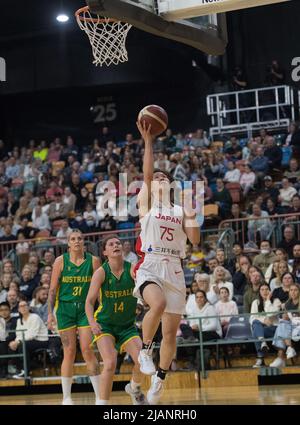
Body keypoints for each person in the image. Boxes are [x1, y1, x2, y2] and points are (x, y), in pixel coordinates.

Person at [133, 121, 200, 404]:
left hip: (175, 267)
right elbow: (147, 173)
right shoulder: (147, 203)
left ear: (170, 185)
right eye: (156, 177)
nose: (158, 178)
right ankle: (144, 350)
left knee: (170, 333)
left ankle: (159, 380)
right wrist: (148, 141)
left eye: (163, 177)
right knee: (156, 304)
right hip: (151, 261)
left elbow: (195, 240)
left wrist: (191, 207)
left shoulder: (179, 208)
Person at [85, 236, 147, 405]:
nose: (116, 245)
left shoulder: (132, 269)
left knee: (142, 361)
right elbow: (89, 302)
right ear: (105, 252)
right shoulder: (101, 272)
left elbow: (145, 289)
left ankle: (134, 389)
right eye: (111, 244)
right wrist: (92, 322)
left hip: (127, 325)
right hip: (105, 325)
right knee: (110, 362)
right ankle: (102, 403)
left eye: (118, 243)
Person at [47, 229, 101, 405]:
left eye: (79, 238)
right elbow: (53, 290)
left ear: (83, 242)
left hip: (86, 309)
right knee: (69, 352)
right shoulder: (60, 261)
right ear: (68, 243)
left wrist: (102, 311)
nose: (77, 241)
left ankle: (100, 396)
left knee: (87, 350)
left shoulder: (93, 261)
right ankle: (67, 397)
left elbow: (101, 290)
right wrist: (49, 314)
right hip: (65, 310)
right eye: (73, 239)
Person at [9, 300, 49, 378]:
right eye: (21, 306)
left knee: (23, 345)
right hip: (28, 341)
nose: (23, 308)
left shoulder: (35, 317)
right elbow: (19, 334)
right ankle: (20, 369)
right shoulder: (18, 320)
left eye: (25, 305)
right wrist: (15, 342)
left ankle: (26, 371)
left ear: (29, 307)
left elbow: (33, 334)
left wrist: (19, 342)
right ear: (18, 310)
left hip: (41, 340)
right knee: (11, 347)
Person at [250, 284, 281, 368]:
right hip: (262, 328)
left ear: (270, 291)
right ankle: (262, 341)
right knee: (255, 323)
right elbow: (252, 319)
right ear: (259, 292)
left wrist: (267, 300)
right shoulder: (255, 302)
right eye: (262, 289)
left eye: (267, 289)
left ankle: (260, 358)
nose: (264, 291)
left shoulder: (276, 301)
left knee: (255, 334)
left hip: (274, 328)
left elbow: (271, 313)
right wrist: (264, 320)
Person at [270, 283, 300, 368]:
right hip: (291, 326)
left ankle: (281, 358)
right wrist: (285, 317)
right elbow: (286, 318)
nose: (293, 292)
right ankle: (289, 348)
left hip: (298, 326)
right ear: (289, 292)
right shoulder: (287, 304)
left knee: (281, 328)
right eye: (291, 290)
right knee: (282, 324)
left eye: (295, 290)